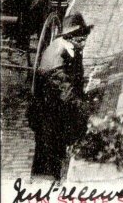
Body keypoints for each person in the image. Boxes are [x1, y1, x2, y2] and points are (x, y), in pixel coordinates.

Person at [28, 12, 93, 180]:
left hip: (58, 112)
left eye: (84, 38)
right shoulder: (57, 57)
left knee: (56, 151)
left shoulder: (71, 48)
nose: (83, 43)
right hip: (47, 115)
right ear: (70, 37)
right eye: (80, 39)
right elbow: (66, 90)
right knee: (48, 158)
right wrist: (86, 111)